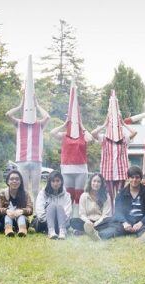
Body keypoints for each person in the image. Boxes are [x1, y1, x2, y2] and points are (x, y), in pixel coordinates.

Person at [6, 57, 50, 200]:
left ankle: (38, 211)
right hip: (22, 160)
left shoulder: (39, 124)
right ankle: (25, 209)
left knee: (36, 188)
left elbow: (47, 116)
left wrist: (37, 105)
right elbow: (8, 114)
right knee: (23, 188)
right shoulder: (19, 123)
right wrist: (20, 105)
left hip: (36, 160)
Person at [50, 82, 92, 217]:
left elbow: (90, 139)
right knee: (68, 194)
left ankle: (77, 218)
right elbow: (52, 133)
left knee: (79, 194)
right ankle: (67, 217)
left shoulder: (83, 135)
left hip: (81, 168)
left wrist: (82, 125)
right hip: (67, 168)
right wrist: (64, 123)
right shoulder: (64, 135)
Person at [92, 90, 138, 201]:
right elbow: (93, 133)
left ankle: (119, 213)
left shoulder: (124, 138)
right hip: (108, 170)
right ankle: (111, 213)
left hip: (121, 169)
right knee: (109, 194)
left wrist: (123, 123)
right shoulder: (104, 138)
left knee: (120, 193)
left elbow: (134, 132)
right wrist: (104, 124)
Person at [98, 166, 145, 242]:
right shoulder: (121, 193)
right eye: (132, 177)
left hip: (141, 222)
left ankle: (143, 238)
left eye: (137, 177)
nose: (134, 180)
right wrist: (124, 223)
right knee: (115, 228)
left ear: (141, 179)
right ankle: (98, 235)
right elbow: (118, 211)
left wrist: (141, 223)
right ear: (128, 178)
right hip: (126, 222)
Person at [71, 173, 113, 240]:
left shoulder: (106, 196)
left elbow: (105, 214)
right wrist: (88, 222)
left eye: (98, 182)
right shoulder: (84, 195)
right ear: (90, 182)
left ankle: (86, 231)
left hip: (100, 222)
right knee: (73, 221)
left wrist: (96, 223)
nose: (96, 184)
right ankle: (90, 230)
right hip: (87, 222)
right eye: (94, 181)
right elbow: (82, 214)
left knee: (110, 220)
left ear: (102, 184)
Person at [0, 169, 34, 237]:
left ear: (20, 181)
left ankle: (22, 230)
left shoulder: (25, 194)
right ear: (7, 181)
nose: (14, 181)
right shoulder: (2, 193)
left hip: (21, 220)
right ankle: (8, 230)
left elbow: (30, 209)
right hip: (5, 220)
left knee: (21, 216)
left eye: (17, 179)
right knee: (7, 216)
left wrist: (22, 211)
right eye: (12, 179)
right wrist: (6, 211)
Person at [35, 171, 72, 240]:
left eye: (58, 181)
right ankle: (51, 231)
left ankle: (62, 231)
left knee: (59, 206)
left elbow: (68, 212)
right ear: (49, 182)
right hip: (45, 223)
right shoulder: (42, 193)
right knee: (52, 206)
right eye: (53, 181)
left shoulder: (66, 195)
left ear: (61, 182)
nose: (55, 183)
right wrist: (49, 221)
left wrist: (59, 221)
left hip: (61, 223)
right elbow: (39, 210)